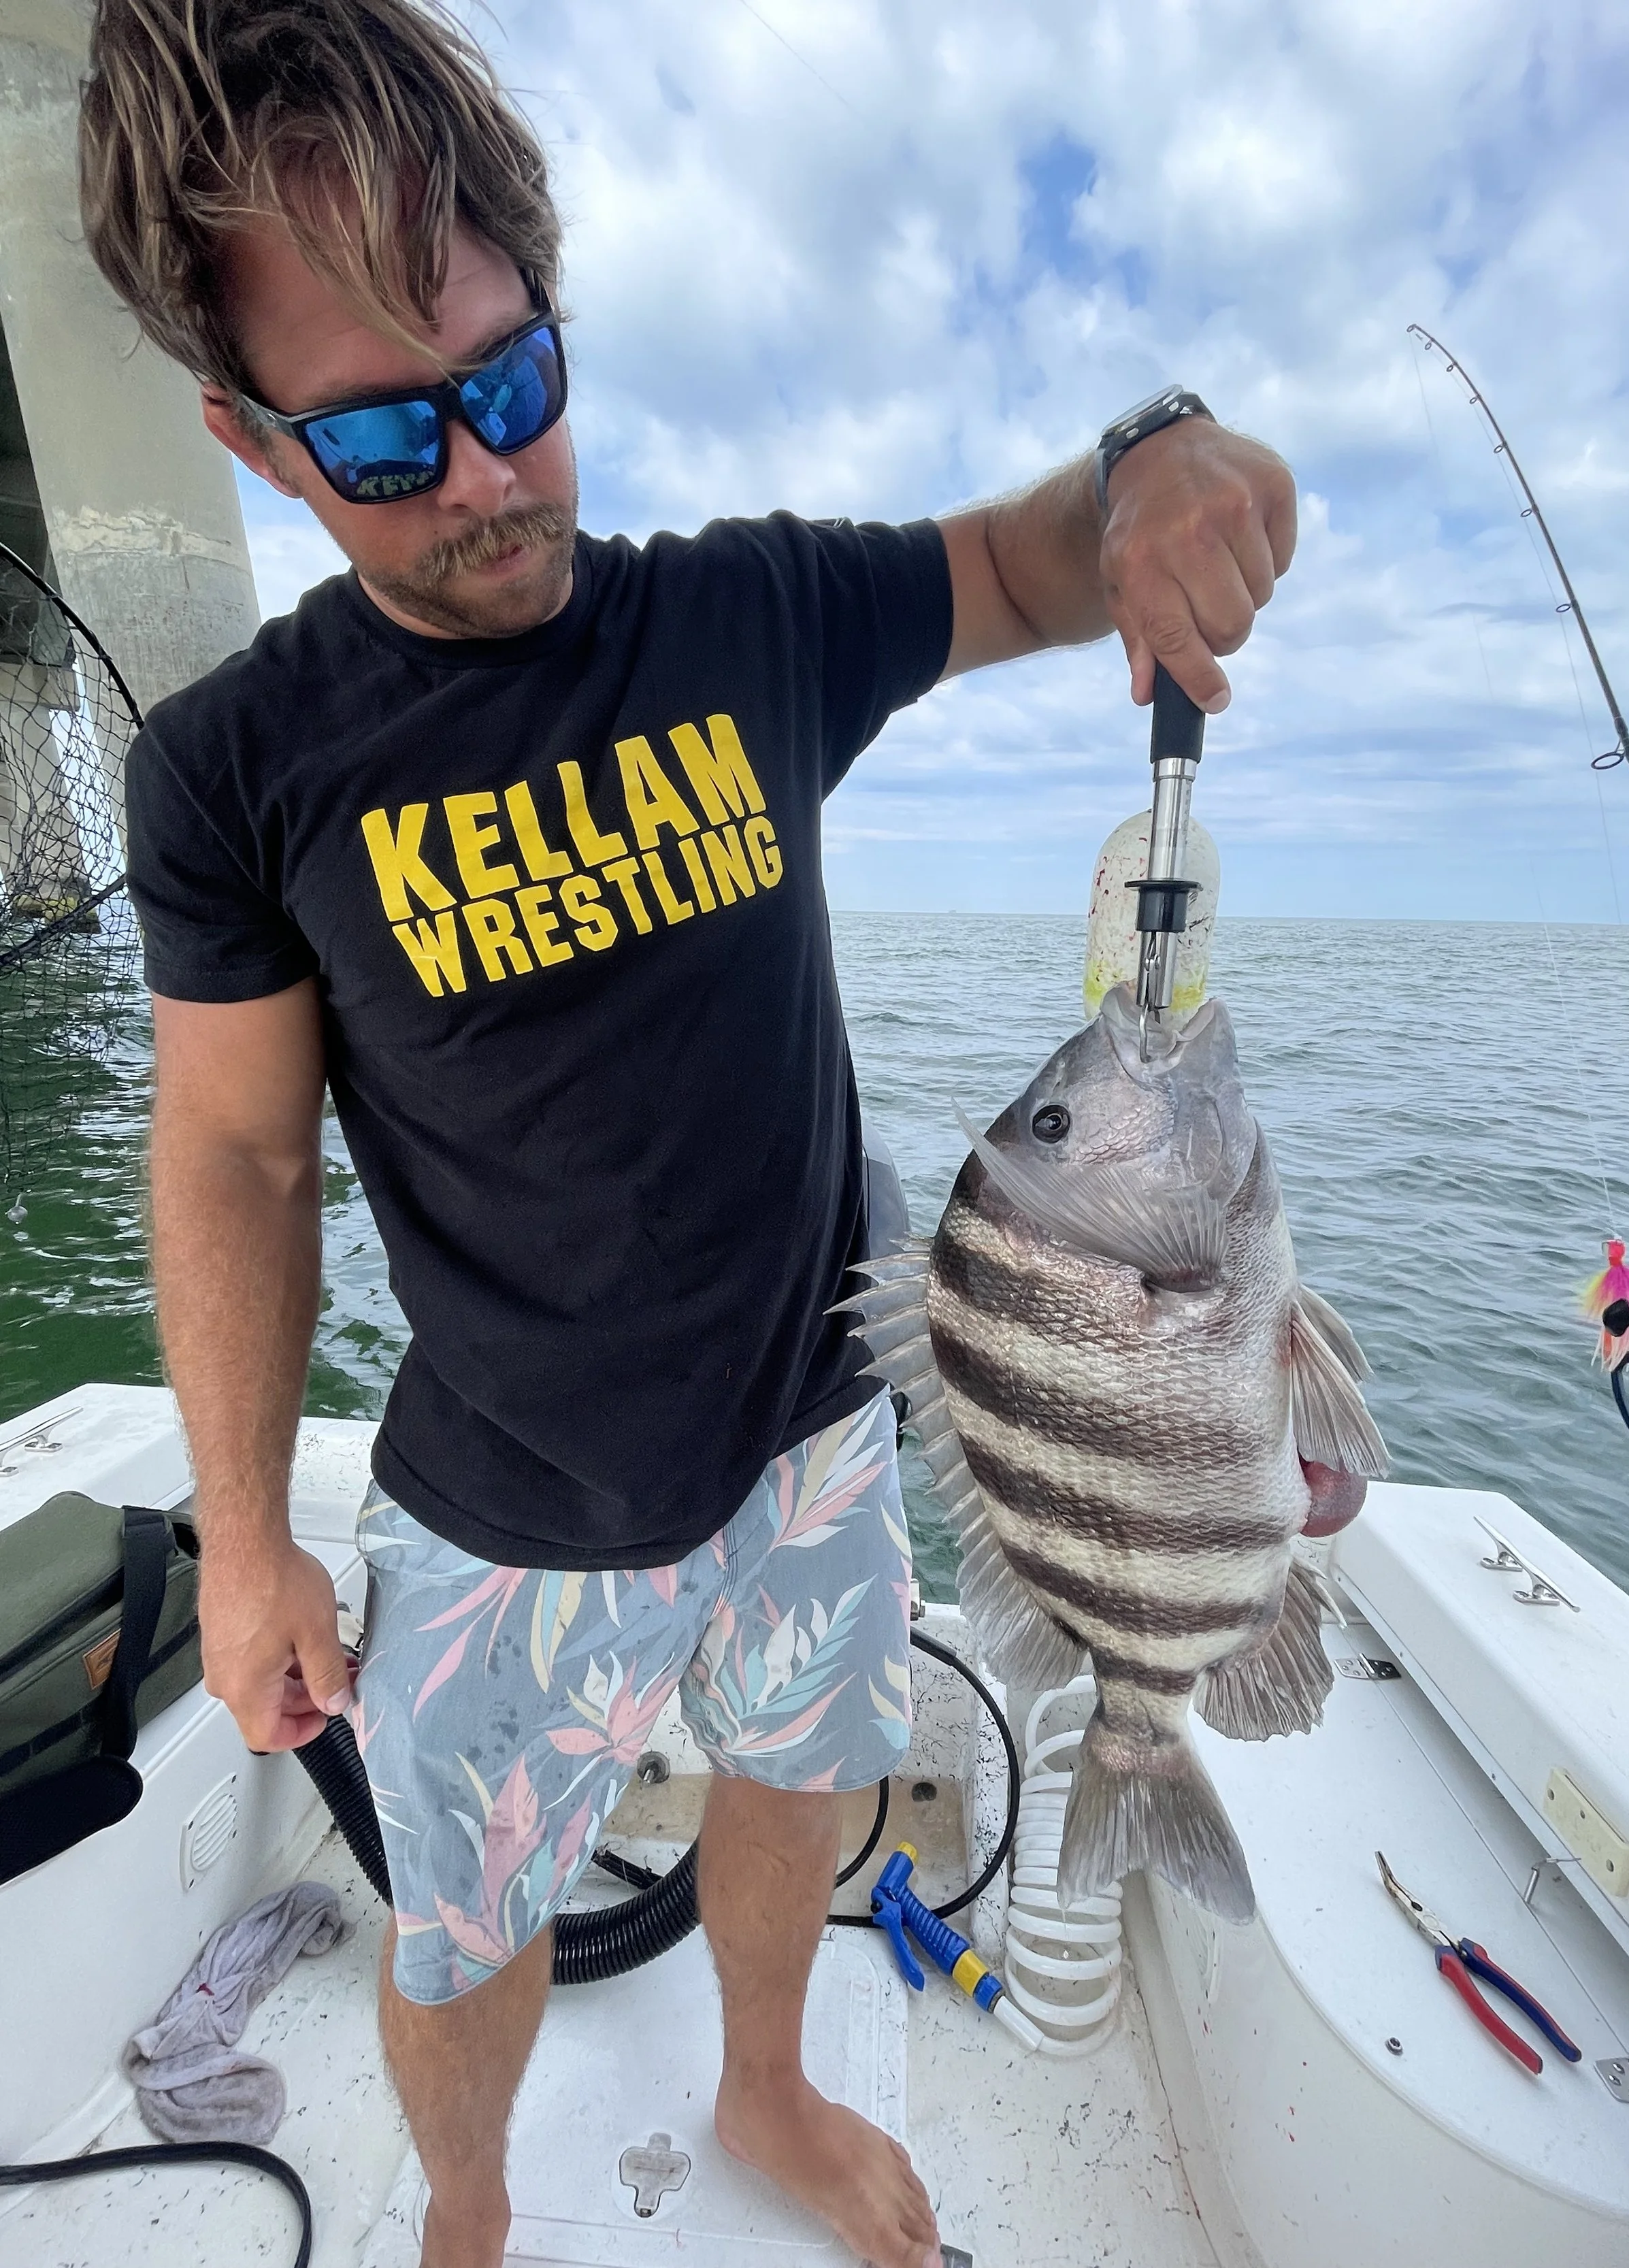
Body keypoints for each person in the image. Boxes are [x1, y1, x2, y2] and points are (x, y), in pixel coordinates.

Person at [78, 4, 1297, 2264]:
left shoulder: (745, 618)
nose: (478, 481)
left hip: (819, 1439)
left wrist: (1162, 453)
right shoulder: (236, 769)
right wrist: (245, 1537)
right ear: (255, 449)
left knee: (798, 1768)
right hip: (501, 1506)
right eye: (377, 439)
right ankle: (464, 2204)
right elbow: (238, 1156)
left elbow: (1042, 558)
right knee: (461, 1924)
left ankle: (762, 2084)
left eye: (512, 387)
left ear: (550, 322)